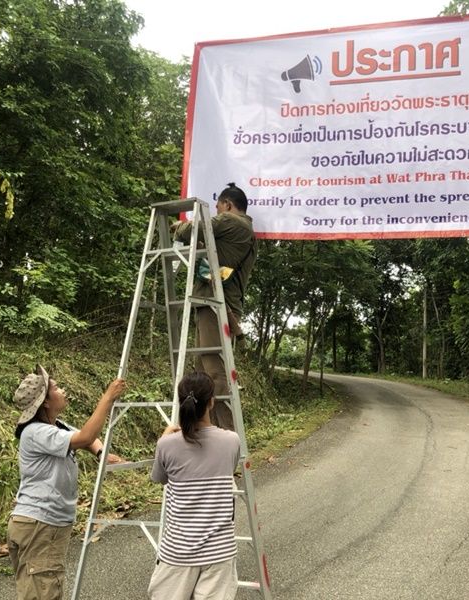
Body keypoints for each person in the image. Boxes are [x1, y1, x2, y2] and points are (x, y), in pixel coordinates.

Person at [6, 365, 126, 600]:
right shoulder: (36, 432)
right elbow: (86, 436)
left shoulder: (56, 426)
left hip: (43, 524)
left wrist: (101, 453)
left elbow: (87, 439)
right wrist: (108, 398)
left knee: (41, 588)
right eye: (56, 388)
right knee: (42, 592)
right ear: (45, 402)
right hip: (40, 524)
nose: (62, 390)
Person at [149, 371, 241, 600]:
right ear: (211, 402)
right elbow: (227, 470)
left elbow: (159, 478)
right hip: (220, 552)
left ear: (181, 402)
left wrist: (165, 438)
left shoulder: (166, 445)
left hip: (178, 551)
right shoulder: (231, 441)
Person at [174, 183, 257, 430]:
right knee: (203, 373)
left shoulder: (231, 222)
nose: (217, 212)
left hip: (216, 305)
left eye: (219, 207)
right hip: (216, 304)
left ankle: (226, 435)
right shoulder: (245, 231)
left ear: (228, 205)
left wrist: (178, 227)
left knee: (214, 373)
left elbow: (192, 229)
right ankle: (207, 432)